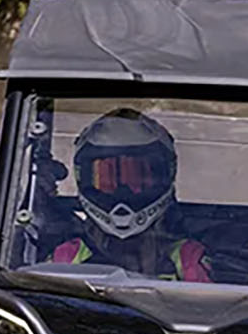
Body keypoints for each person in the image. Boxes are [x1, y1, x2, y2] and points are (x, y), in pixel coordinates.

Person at [48, 108, 213, 282]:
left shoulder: (188, 259)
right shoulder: (68, 258)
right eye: (108, 179)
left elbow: (208, 305)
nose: (123, 193)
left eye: (137, 178)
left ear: (166, 174)